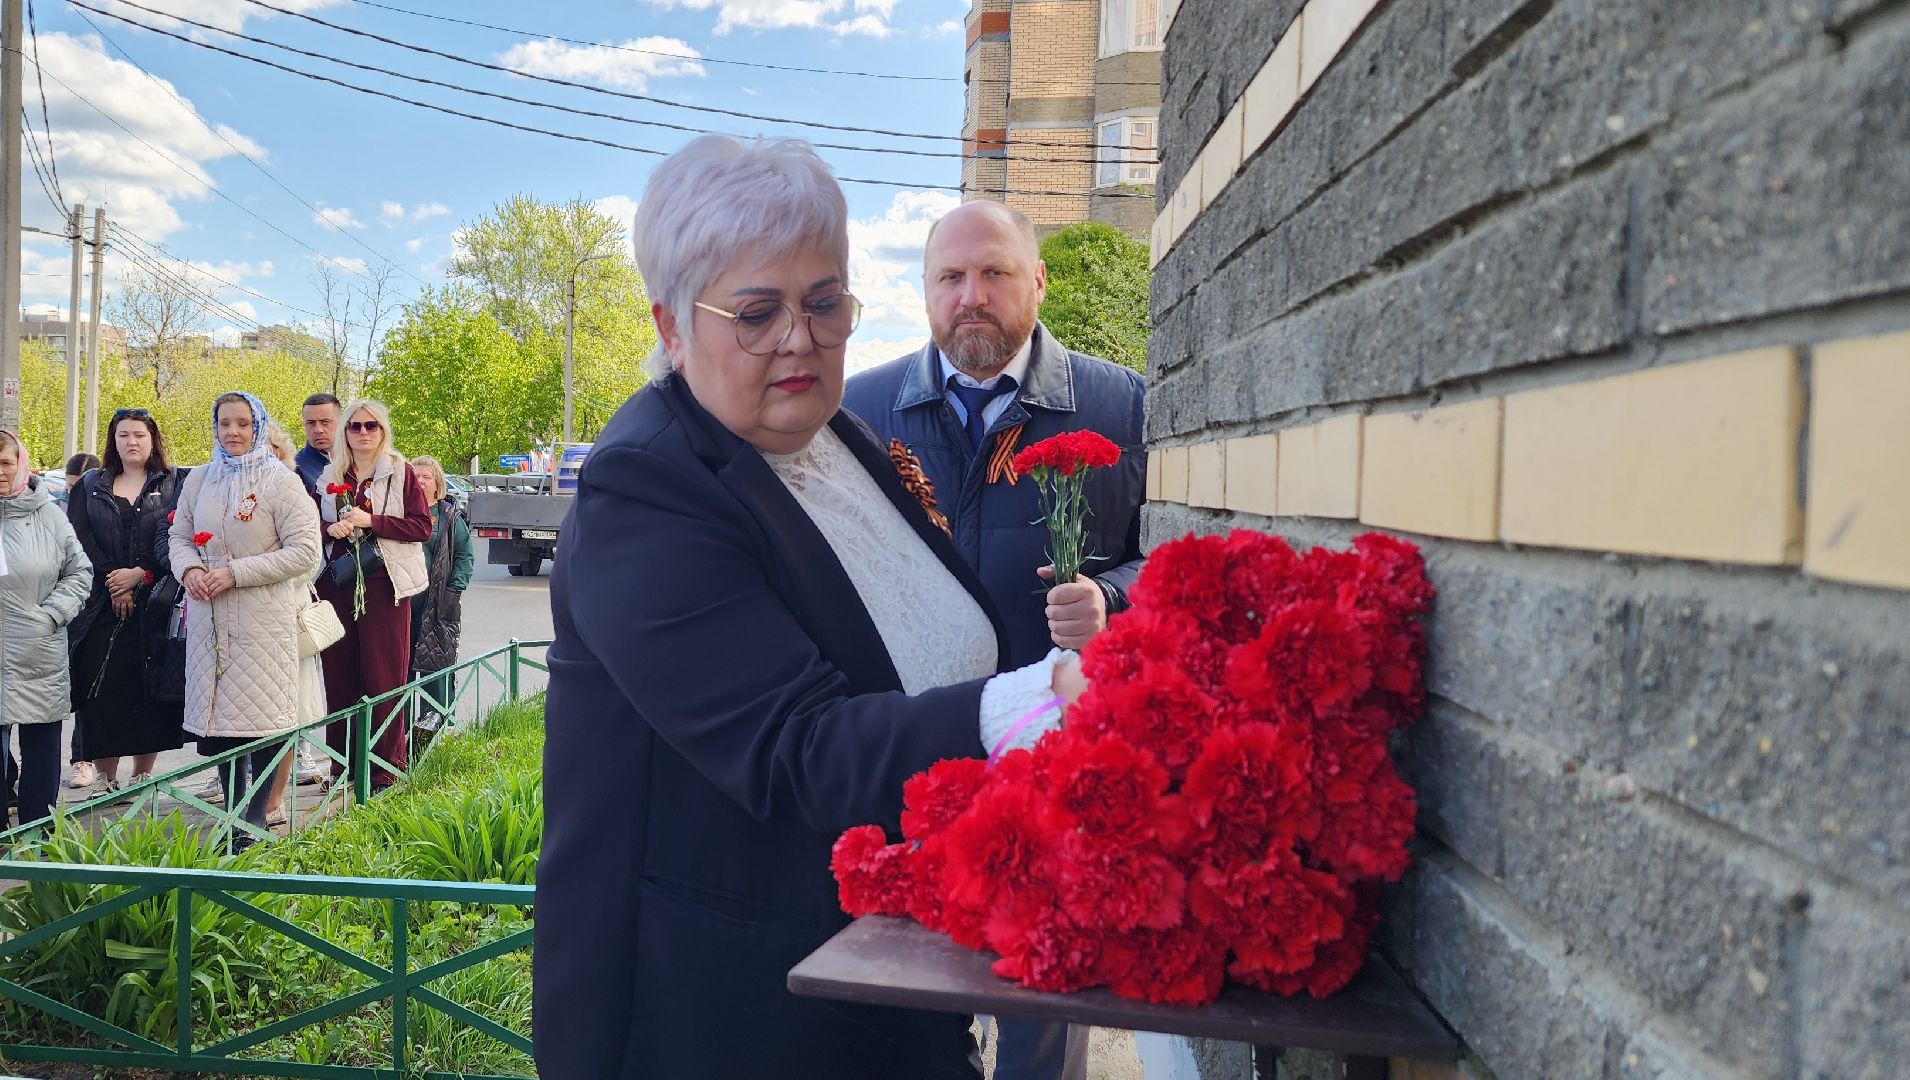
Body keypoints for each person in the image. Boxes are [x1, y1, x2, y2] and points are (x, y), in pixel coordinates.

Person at [534, 135, 1086, 1080]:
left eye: (824, 302)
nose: (799, 338)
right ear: (671, 327)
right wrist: (1033, 705)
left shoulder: (838, 435)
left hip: (882, 976)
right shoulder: (646, 488)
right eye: (756, 312)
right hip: (734, 1010)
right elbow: (791, 747)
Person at [841, 199, 1149, 1080]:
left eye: (995, 272)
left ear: (1037, 281)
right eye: (950, 277)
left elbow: (1163, 554)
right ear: (926, 290)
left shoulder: (1120, 406)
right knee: (913, 993)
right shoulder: (861, 410)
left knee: (1046, 998)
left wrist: (1111, 598)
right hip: (918, 745)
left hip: (1056, 752)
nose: (971, 296)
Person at [169, 393, 321, 849]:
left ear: (258, 426)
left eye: (242, 423)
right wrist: (190, 570)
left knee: (263, 724)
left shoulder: (281, 482)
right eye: (223, 423)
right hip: (208, 620)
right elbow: (178, 536)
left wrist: (235, 573)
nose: (232, 432)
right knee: (222, 729)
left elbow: (304, 551)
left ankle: (254, 819)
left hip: (261, 622)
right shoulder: (199, 479)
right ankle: (237, 819)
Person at [65, 409, 187, 800]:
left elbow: (177, 536)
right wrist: (115, 582)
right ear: (112, 440)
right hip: (100, 604)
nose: (131, 442)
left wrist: (140, 574)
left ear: (153, 440)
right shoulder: (90, 485)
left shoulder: (174, 483)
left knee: (146, 690)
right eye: (123, 435)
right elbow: (79, 541)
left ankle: (143, 775)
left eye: (139, 434)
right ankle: (105, 777)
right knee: (101, 693)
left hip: (155, 603)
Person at [313, 399, 430, 791]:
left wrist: (371, 521)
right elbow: (310, 523)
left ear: (383, 431)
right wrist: (331, 528)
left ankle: (383, 770)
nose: (363, 433)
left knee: (384, 678)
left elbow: (421, 526)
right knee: (340, 678)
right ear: (345, 431)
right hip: (339, 583)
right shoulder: (329, 475)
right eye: (355, 426)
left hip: (385, 584)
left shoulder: (400, 471)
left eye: (372, 426)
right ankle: (343, 767)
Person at [0, 430, 93, 830]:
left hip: (38, 647)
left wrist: (51, 615)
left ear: (20, 463)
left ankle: (38, 830)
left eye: (5, 462)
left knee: (40, 744)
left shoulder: (48, 514)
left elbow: (79, 572)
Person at [406, 456, 472, 734]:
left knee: (437, 668)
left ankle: (435, 732)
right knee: (401, 670)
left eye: (426, 477)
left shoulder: (448, 516)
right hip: (404, 603)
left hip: (437, 604)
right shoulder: (401, 512)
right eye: (415, 476)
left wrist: (453, 591)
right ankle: (400, 734)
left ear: (437, 484)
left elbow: (465, 556)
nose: (420, 481)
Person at [296, 393, 341, 494]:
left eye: (325, 422)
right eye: (311, 423)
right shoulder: (296, 468)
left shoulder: (359, 460)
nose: (318, 430)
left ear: (341, 422)